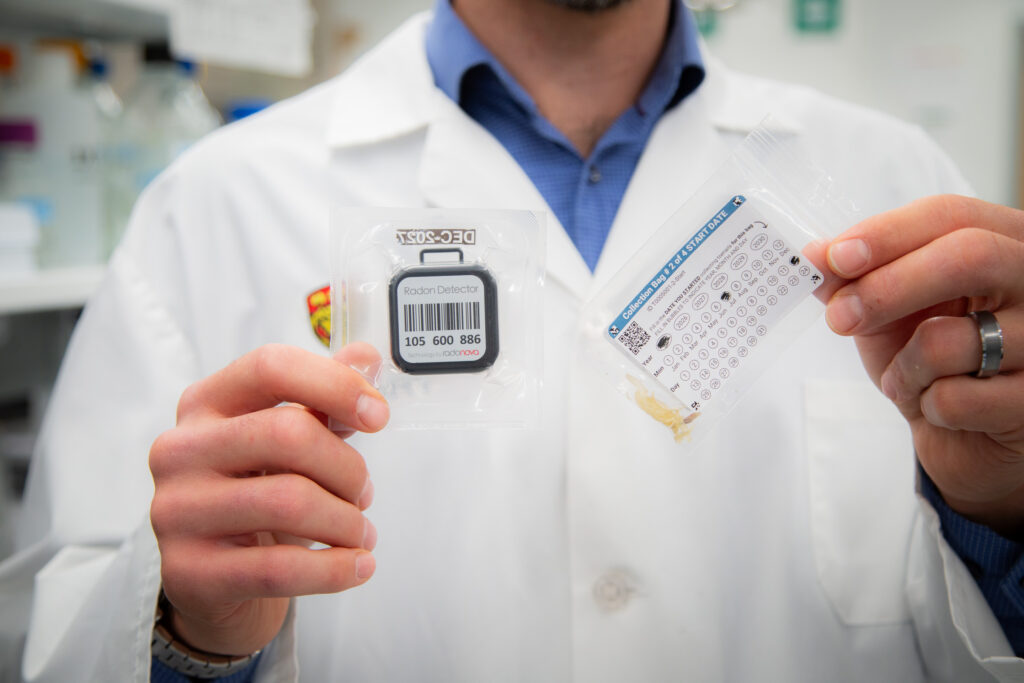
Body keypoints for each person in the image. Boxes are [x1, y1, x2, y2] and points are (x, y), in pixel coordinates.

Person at [1, 0, 1022, 680]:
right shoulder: (218, 203)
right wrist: (188, 628)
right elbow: (57, 634)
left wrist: (999, 510)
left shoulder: (898, 178)